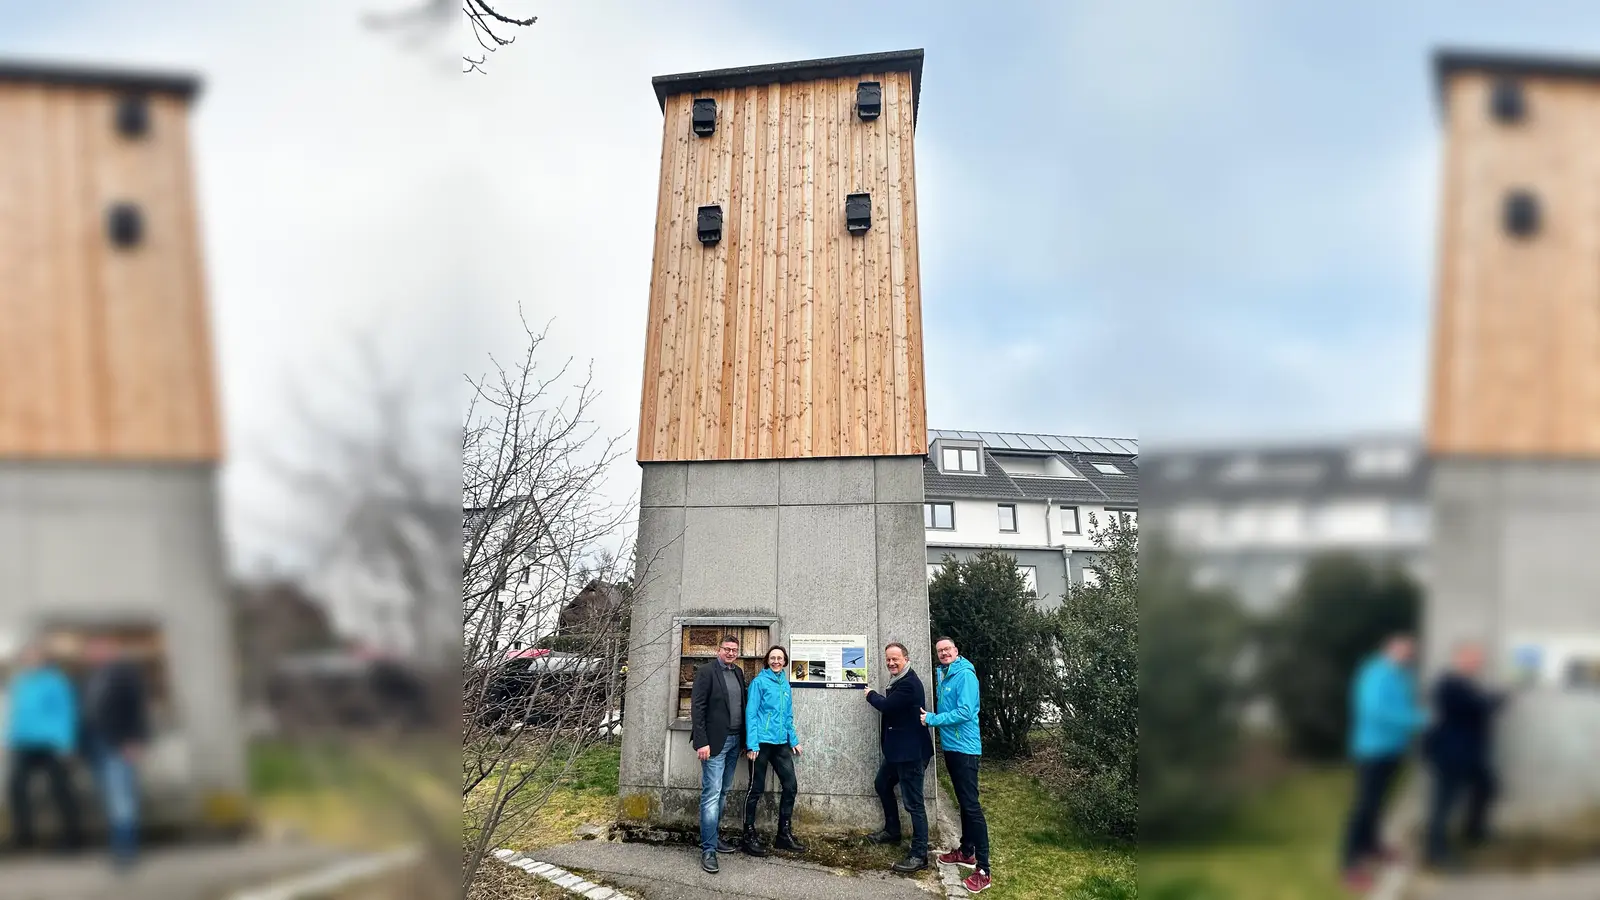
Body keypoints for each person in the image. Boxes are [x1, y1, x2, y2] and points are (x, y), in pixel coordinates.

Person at [1340, 633, 1429, 891]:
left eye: (1410, 651)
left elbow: (1405, 704)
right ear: (1389, 649)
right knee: (1365, 806)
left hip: (1393, 748)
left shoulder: (1402, 675)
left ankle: (1373, 846)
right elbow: (1375, 710)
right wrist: (1419, 721)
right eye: (1402, 650)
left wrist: (1416, 718)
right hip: (1372, 749)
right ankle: (1350, 864)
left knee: (1379, 802)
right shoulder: (1375, 673)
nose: (1407, 654)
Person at [1422, 640, 1506, 870]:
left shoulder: (1466, 684)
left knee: (1487, 787)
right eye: (1473, 659)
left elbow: (1480, 705)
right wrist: (1497, 700)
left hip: (1469, 753)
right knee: (1443, 803)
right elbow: (1476, 707)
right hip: (1451, 753)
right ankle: (1435, 851)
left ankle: (1473, 832)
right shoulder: (1448, 684)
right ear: (1459, 659)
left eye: (1479, 659)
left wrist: (1492, 700)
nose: (1478, 663)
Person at [922, 636, 991, 894]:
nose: (943, 654)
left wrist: (932, 719)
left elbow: (966, 712)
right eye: (940, 651)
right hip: (952, 748)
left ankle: (983, 869)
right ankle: (966, 851)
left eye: (947, 649)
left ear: (956, 651)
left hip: (966, 749)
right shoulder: (946, 674)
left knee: (972, 807)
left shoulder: (965, 676)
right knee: (963, 801)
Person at [80, 636, 151, 869]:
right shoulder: (91, 677)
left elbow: (137, 708)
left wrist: (136, 740)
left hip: (119, 743)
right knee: (111, 799)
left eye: (98, 649)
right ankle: (117, 847)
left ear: (111, 649)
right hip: (95, 745)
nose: (94, 654)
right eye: (91, 650)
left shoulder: (125, 674)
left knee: (121, 799)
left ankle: (126, 852)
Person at [5, 642, 83, 852]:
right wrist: (8, 739)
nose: (31, 660)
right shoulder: (20, 682)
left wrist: (67, 743)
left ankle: (73, 838)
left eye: (35, 656)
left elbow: (66, 712)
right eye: (27, 657)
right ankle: (24, 837)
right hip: (23, 743)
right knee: (16, 789)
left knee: (61, 790)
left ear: (43, 659)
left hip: (51, 743)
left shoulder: (55, 681)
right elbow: (16, 712)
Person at [865, 641, 935, 874]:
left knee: (914, 803)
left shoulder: (909, 684)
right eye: (888, 659)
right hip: (897, 752)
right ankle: (892, 831)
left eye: (895, 659)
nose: (891, 663)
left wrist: (870, 694)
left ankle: (919, 854)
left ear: (906, 658)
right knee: (882, 784)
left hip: (911, 754)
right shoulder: (899, 681)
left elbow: (887, 706)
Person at [740, 644, 805, 857]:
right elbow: (751, 713)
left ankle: (783, 836)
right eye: (773, 658)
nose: (776, 661)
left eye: (780, 658)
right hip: (761, 744)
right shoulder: (759, 683)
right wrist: (752, 745)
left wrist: (793, 739)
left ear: (785, 662)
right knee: (756, 788)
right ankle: (748, 836)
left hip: (780, 744)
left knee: (791, 786)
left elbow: (788, 716)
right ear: (768, 661)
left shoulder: (785, 685)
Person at [690, 634, 747, 874]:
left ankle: (714, 837)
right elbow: (698, 707)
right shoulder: (706, 672)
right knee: (712, 794)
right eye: (727, 649)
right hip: (714, 744)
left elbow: (742, 706)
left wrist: (744, 740)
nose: (731, 653)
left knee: (723, 791)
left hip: (735, 742)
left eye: (734, 650)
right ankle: (708, 849)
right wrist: (701, 742)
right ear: (718, 650)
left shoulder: (738, 673)